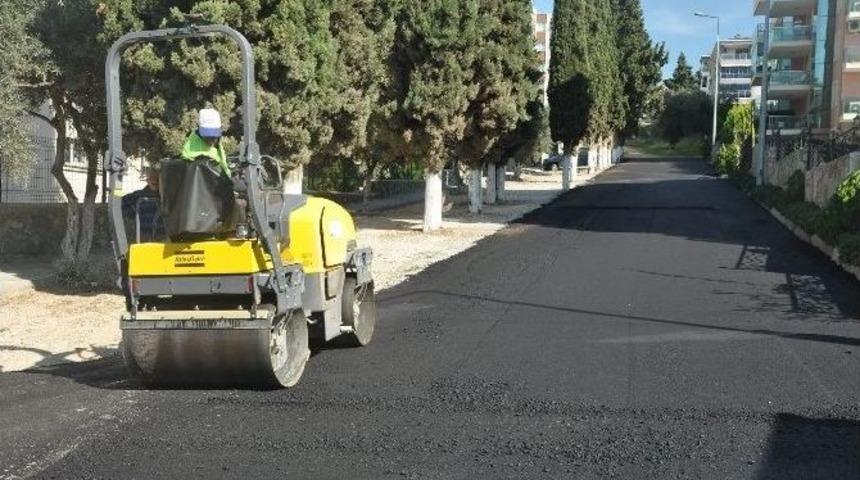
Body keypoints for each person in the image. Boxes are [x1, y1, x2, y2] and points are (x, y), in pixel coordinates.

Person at [180, 108, 230, 176]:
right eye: (208, 136)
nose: (212, 140)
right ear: (199, 130)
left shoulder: (217, 143)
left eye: (214, 136)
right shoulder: (193, 153)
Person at [122, 166, 163, 239]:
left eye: (157, 178)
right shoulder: (139, 195)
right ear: (147, 180)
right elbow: (122, 203)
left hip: (163, 237)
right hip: (145, 236)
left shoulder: (167, 196)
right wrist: (133, 212)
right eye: (152, 178)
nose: (155, 180)